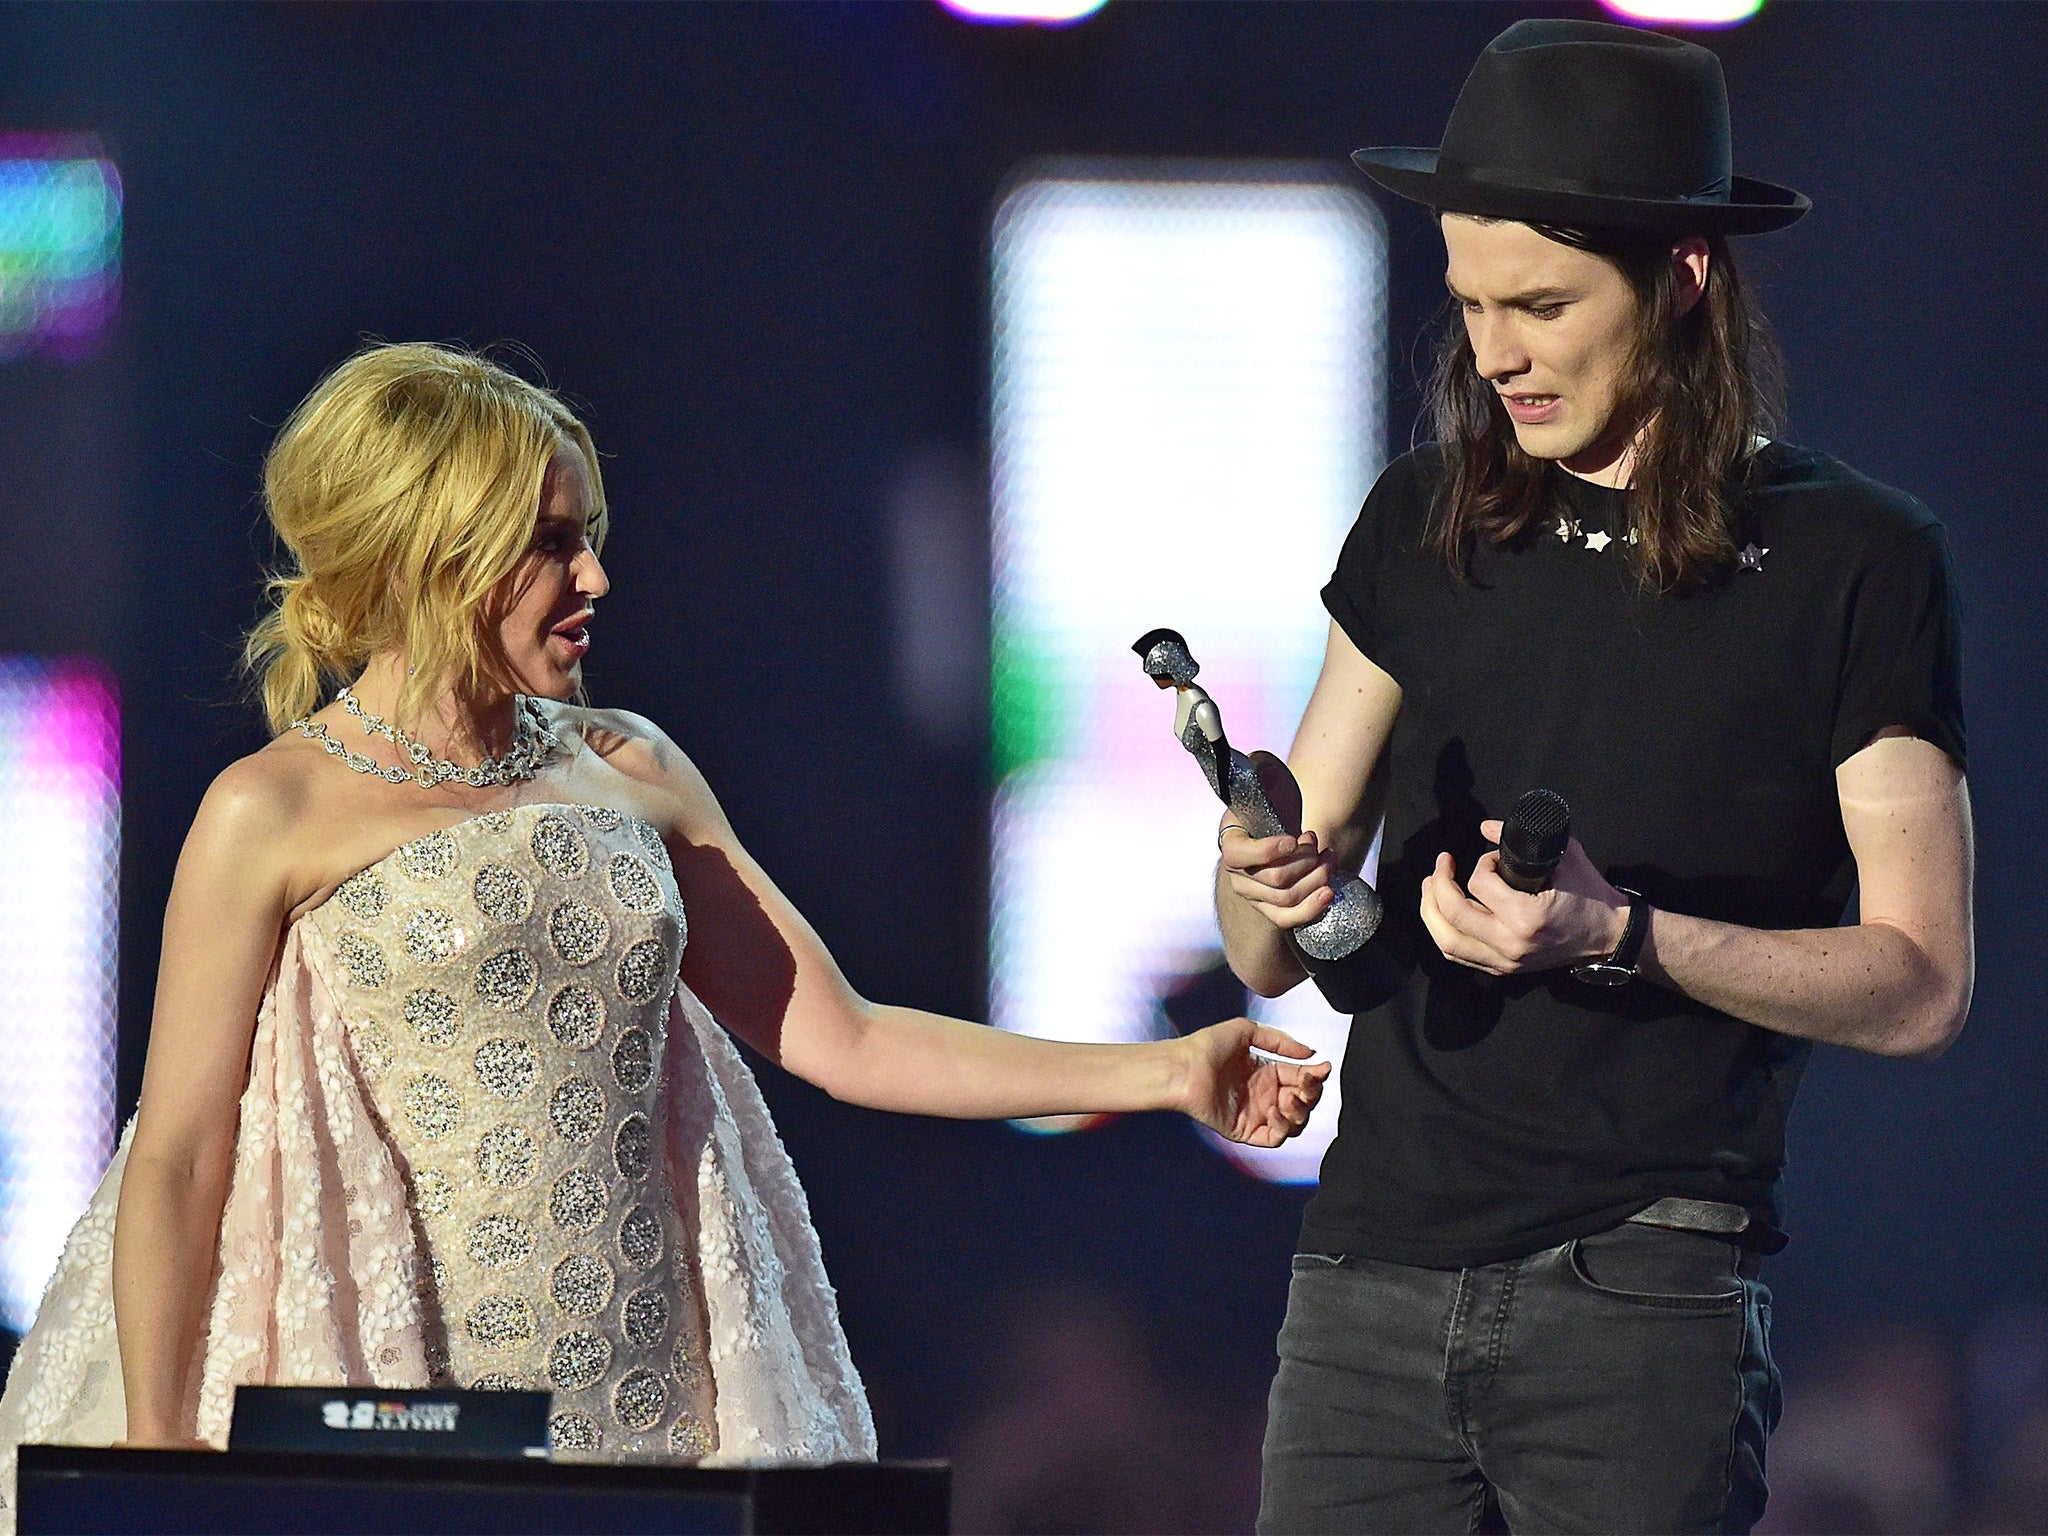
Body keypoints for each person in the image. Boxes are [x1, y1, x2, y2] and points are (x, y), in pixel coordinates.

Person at [0, 342, 1330, 1517]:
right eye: (552, 543)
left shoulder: (630, 766)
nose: (595, 574)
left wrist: (1163, 1074)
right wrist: (158, 1461)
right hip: (409, 1395)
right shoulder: (272, 809)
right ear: (428, 554)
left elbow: (846, 1037)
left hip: (640, 1394)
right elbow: (179, 1156)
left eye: (589, 534)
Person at [1219, 20, 1973, 1535]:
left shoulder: (1859, 563)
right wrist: (1268, 875)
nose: (1495, 352)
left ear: (1684, 278)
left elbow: (1920, 982)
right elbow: (1263, 939)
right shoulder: (1421, 520)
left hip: (1641, 1294)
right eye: (1471, 304)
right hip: (1364, 1283)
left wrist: (1617, 935)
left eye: (1542, 304)